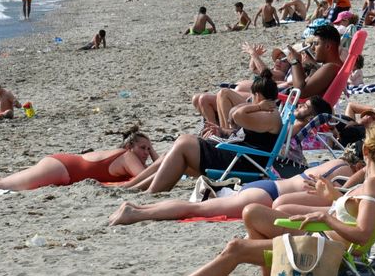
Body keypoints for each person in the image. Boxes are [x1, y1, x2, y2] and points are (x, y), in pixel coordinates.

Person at [139, 124, 375, 276]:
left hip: (324, 253)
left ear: (366, 150)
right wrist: (333, 200)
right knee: (252, 211)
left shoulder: (371, 186)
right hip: (320, 238)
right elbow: (356, 216)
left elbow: (362, 234)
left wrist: (325, 216)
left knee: (235, 248)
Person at [106, 98, 349, 226]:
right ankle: (138, 196)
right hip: (264, 190)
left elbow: (237, 116)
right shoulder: (341, 178)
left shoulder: (281, 123)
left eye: (306, 106)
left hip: (259, 181)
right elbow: (287, 206)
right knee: (194, 204)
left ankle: (140, 199)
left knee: (185, 146)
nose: (300, 107)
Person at [124, 73, 298, 196]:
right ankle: (134, 186)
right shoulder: (267, 114)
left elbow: (234, 115)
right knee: (174, 153)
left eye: (252, 97)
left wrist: (257, 106)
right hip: (240, 155)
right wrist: (222, 131)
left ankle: (151, 192)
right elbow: (244, 131)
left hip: (243, 161)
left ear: (257, 95)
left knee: (184, 143)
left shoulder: (267, 115)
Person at [0, 127, 157, 199]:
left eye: (149, 148)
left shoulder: (126, 155)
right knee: (2, 183)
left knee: (5, 183)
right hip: (62, 167)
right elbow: (147, 179)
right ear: (130, 147)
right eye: (143, 148)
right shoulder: (127, 157)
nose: (146, 152)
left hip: (63, 167)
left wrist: (153, 152)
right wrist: (156, 156)